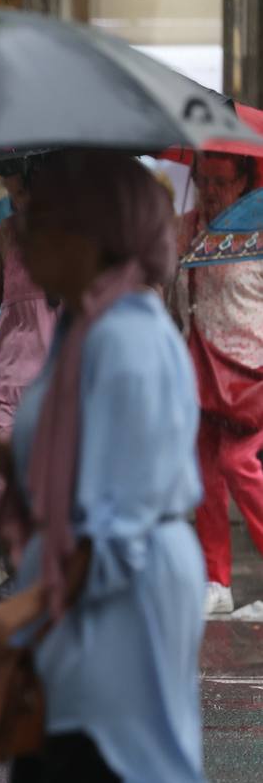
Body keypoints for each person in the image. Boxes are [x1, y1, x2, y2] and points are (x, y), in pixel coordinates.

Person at [0, 150, 206, 782]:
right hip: (79, 585)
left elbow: (121, 517)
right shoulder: (85, 326)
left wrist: (29, 607)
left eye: (44, 225)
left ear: (92, 237)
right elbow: (61, 473)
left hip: (118, 592)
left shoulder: (127, 338)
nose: (26, 240)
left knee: (103, 759)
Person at [169, 152, 263, 617]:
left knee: (237, 461)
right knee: (203, 471)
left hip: (250, 371)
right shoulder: (187, 228)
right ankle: (216, 580)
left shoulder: (259, 225)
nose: (210, 190)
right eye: (203, 179)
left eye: (221, 182)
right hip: (197, 367)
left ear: (244, 180)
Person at [0, 171, 59, 525]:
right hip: (4, 384)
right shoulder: (7, 234)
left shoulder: (89, 233)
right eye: (15, 181)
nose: (20, 189)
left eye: (30, 179)